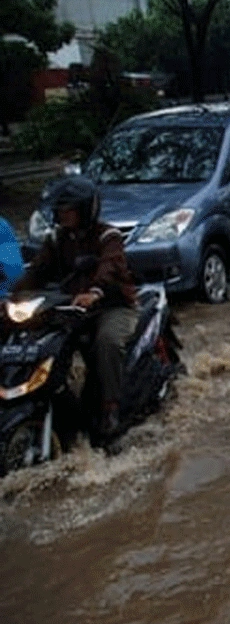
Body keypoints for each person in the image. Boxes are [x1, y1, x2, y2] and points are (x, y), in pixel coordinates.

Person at [14, 177, 138, 442]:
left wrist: (94, 292)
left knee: (108, 342)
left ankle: (110, 409)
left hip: (110, 306)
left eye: (68, 209)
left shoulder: (109, 236)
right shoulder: (57, 240)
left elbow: (111, 267)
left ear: (85, 209)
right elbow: (37, 271)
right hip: (70, 309)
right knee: (34, 344)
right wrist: (11, 296)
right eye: (60, 209)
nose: (62, 214)